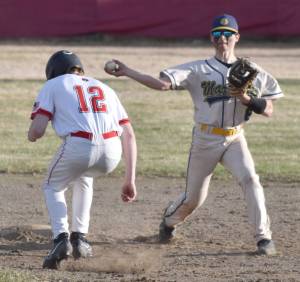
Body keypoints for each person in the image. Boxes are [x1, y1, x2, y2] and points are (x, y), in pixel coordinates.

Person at [104, 14, 283, 256]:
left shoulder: (254, 71)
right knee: (193, 199)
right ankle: (168, 222)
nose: (223, 39)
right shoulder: (197, 69)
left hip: (235, 139)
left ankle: (264, 239)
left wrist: (246, 98)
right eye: (218, 34)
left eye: (228, 34)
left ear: (237, 37)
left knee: (251, 179)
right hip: (205, 139)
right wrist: (127, 71)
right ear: (211, 38)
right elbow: (162, 84)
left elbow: (269, 110)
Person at [28, 50, 137, 269]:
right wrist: (130, 179)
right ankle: (80, 239)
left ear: (53, 71)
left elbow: (37, 130)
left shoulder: (54, 84)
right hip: (112, 151)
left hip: (79, 145)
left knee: (53, 186)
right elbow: (129, 135)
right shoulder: (105, 87)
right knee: (84, 178)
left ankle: (61, 239)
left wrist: (31, 135)